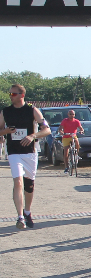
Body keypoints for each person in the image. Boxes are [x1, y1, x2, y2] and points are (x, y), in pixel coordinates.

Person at [0, 84, 49, 229]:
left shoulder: (32, 110)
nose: (10, 96)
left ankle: (27, 211)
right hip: (14, 152)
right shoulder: (5, 112)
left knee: (29, 184)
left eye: (13, 94)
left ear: (22, 95)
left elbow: (46, 130)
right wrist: (6, 131)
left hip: (30, 152)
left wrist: (33, 136)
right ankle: (20, 217)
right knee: (18, 182)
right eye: (10, 94)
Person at [59, 109, 83, 174]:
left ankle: (76, 154)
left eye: (72, 114)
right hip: (66, 136)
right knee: (66, 151)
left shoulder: (76, 121)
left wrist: (81, 131)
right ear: (68, 114)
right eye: (70, 114)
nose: (71, 115)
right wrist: (62, 132)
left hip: (73, 136)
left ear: (74, 115)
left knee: (76, 142)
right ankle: (66, 167)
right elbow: (60, 129)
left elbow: (81, 128)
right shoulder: (64, 121)